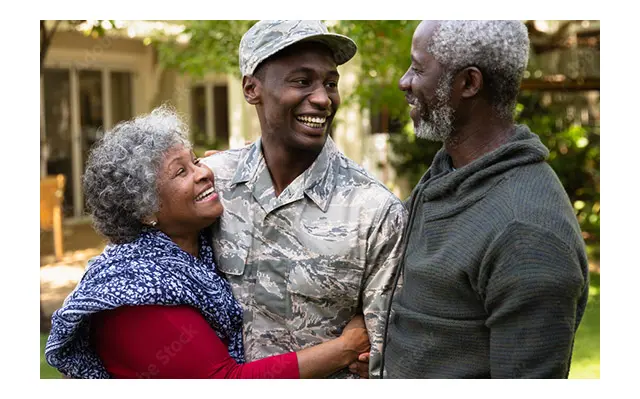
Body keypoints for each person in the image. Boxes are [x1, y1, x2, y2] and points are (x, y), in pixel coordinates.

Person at [44, 105, 371, 379]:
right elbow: (224, 381)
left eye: (196, 160)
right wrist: (344, 349)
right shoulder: (135, 290)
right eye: (180, 172)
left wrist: (241, 164)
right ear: (145, 211)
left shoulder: (192, 245)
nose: (203, 173)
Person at [380, 20, 590, 379]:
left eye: (417, 68)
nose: (404, 81)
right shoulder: (450, 172)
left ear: (469, 83)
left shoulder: (526, 233)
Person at [200, 20, 407, 379]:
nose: (323, 98)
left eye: (330, 83)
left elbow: (381, 360)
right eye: (301, 81)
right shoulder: (210, 184)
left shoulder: (374, 212)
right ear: (252, 89)